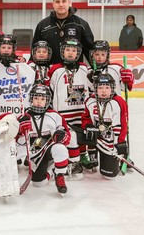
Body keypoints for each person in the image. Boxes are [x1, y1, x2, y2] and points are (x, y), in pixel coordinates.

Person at [46, 37, 89, 180]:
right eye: (67, 50)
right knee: (69, 138)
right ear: (62, 52)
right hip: (63, 113)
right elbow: (50, 90)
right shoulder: (55, 69)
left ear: (78, 52)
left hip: (80, 111)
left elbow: (91, 88)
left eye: (74, 50)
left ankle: (78, 162)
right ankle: (69, 162)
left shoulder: (84, 68)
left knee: (81, 137)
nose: (70, 53)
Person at [17, 84, 70, 194]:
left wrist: (61, 136)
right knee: (38, 183)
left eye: (42, 99)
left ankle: (59, 176)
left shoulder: (55, 116)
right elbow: (17, 142)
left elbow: (67, 136)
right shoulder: (24, 117)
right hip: (35, 155)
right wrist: (20, 130)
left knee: (60, 148)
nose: (39, 101)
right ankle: (52, 171)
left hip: (50, 151)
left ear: (47, 101)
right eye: (36, 98)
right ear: (31, 99)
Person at [81, 73, 129, 179]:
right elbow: (85, 117)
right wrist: (88, 125)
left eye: (107, 88)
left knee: (108, 175)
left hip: (109, 141)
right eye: (100, 87)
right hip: (94, 139)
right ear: (95, 89)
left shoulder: (118, 102)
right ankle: (91, 157)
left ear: (112, 89)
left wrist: (120, 142)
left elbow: (122, 125)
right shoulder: (90, 101)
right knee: (77, 134)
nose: (103, 91)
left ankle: (111, 159)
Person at [32, 0, 94, 64]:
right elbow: (34, 51)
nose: (61, 4)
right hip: (50, 72)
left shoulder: (82, 25)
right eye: (57, 2)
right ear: (53, 4)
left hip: (74, 72)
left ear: (69, 3)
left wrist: (96, 69)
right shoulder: (42, 26)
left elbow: (90, 53)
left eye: (64, 1)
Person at [0, 34, 35, 116]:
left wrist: (19, 63)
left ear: (13, 49)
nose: (6, 50)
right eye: (3, 47)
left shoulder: (21, 63)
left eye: (9, 48)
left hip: (16, 107)